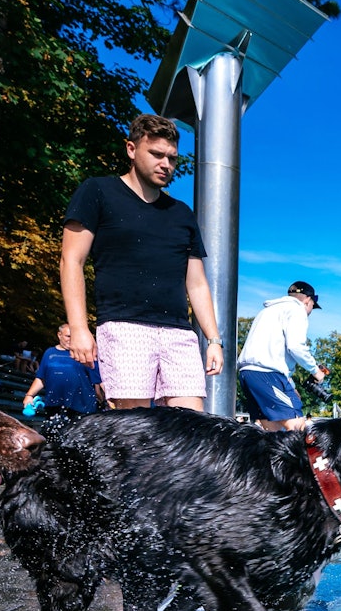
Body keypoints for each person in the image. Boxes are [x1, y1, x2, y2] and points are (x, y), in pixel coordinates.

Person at [60, 113, 226, 412]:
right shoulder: (98, 191)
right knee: (132, 430)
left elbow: (197, 283)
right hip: (124, 327)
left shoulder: (182, 213)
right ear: (131, 149)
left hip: (179, 333)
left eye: (172, 158)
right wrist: (79, 327)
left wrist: (214, 339)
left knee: (192, 431)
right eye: (157, 154)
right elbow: (72, 259)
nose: (166, 164)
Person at [238, 281, 327, 430]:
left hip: (247, 375)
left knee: (271, 429)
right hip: (267, 375)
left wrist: (289, 385)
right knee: (297, 426)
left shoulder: (266, 312)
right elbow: (295, 346)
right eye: (312, 306)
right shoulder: (297, 310)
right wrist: (315, 371)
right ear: (307, 300)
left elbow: (273, 353)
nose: (310, 311)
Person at [21, 323, 105, 414]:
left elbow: (100, 380)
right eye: (68, 336)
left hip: (82, 407)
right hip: (54, 405)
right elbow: (41, 378)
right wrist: (29, 395)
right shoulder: (49, 353)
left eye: (74, 336)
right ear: (59, 335)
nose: (71, 340)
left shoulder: (85, 353)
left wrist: (111, 399)